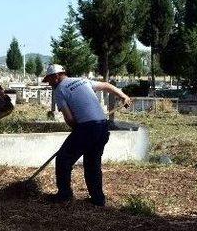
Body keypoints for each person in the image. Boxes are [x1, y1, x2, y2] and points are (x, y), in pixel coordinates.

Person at [43, 64, 131, 206]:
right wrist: (124, 96)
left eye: (49, 80)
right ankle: (98, 199)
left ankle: (64, 196)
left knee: (63, 159)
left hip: (87, 127)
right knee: (92, 163)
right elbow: (106, 85)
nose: (49, 84)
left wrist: (77, 129)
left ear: (57, 76)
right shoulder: (83, 81)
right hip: (102, 126)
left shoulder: (60, 89)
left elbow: (69, 118)